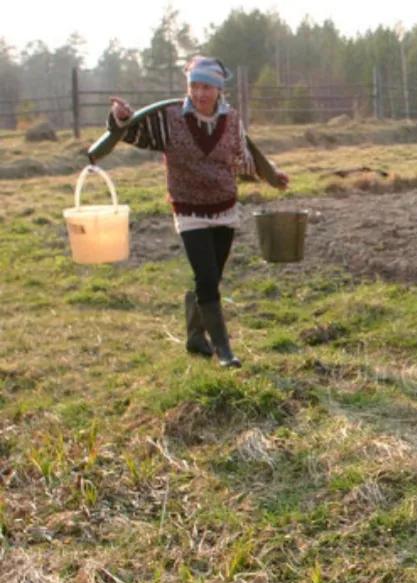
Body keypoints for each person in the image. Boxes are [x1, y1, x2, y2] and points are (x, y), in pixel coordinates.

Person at [107, 56, 289, 368]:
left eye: (207, 87)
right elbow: (133, 132)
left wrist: (271, 176)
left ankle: (194, 335)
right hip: (189, 208)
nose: (200, 93)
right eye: (195, 86)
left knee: (211, 278)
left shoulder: (231, 119)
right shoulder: (170, 117)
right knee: (205, 277)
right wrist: (121, 118)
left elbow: (243, 154)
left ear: (219, 90)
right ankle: (224, 350)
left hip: (224, 208)